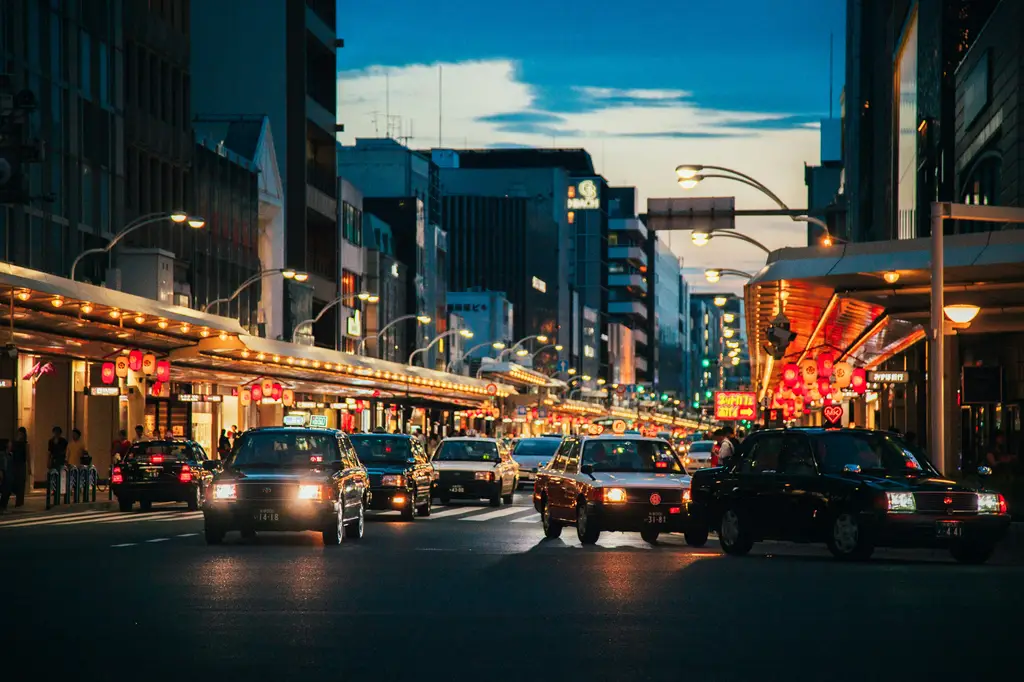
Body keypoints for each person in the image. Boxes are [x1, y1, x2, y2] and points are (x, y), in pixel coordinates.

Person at [6, 428, 28, 507]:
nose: (21, 436)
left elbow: (27, 456)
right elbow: (8, 451)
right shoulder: (13, 443)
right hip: (14, 464)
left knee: (21, 483)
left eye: (22, 434)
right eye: (20, 434)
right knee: (12, 482)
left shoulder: (25, 444)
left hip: (21, 465)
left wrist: (29, 469)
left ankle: (19, 502)